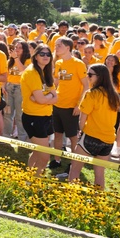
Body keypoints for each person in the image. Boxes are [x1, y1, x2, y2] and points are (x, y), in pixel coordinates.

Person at [63, 64, 120, 189]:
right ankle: (98, 199)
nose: (87, 77)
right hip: (109, 139)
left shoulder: (91, 94)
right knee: (99, 173)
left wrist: (81, 132)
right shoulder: (114, 95)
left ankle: (71, 195)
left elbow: (82, 119)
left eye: (90, 75)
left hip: (91, 136)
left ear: (100, 77)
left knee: (75, 169)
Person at [49, 37, 89, 170]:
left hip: (72, 107)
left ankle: (74, 163)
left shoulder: (78, 63)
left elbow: (86, 86)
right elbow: (56, 83)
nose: (56, 47)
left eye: (59, 45)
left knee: (72, 137)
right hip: (57, 104)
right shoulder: (59, 63)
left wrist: (79, 105)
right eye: (55, 45)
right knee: (58, 134)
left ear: (68, 48)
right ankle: (57, 159)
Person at [21, 44, 58, 175]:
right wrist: (48, 97)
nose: (45, 56)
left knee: (37, 151)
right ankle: (36, 180)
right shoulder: (32, 72)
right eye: (42, 54)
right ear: (35, 56)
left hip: (46, 116)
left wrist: (44, 98)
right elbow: (47, 98)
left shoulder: (45, 72)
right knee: (45, 155)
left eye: (48, 54)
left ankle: (29, 179)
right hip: (33, 117)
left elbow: (55, 97)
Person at [7, 38, 31, 141]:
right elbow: (7, 74)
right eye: (16, 47)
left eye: (20, 47)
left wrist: (16, 58)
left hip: (20, 88)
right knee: (8, 113)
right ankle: (6, 136)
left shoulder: (29, 61)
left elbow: (24, 71)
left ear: (25, 49)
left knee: (19, 115)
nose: (17, 49)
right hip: (9, 87)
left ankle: (22, 138)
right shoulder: (10, 60)